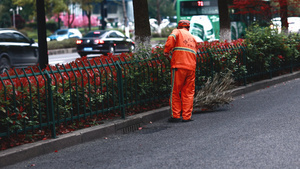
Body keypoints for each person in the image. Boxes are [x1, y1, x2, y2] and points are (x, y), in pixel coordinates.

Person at [163, 20, 198, 122]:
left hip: (179, 66)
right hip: (191, 68)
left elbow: (171, 38)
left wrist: (166, 51)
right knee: (188, 93)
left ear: (179, 26)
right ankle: (187, 116)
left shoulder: (177, 32)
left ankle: (176, 115)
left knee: (175, 91)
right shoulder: (192, 38)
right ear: (188, 28)